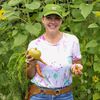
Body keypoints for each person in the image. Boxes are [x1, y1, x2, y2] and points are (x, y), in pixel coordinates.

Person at [26, 4, 83, 100]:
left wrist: (76, 68)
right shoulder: (34, 45)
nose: (53, 22)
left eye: (57, 18)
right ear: (43, 19)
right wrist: (32, 64)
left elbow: (77, 63)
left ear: (61, 21)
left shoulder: (72, 41)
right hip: (39, 95)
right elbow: (29, 75)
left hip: (65, 95)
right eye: (49, 18)